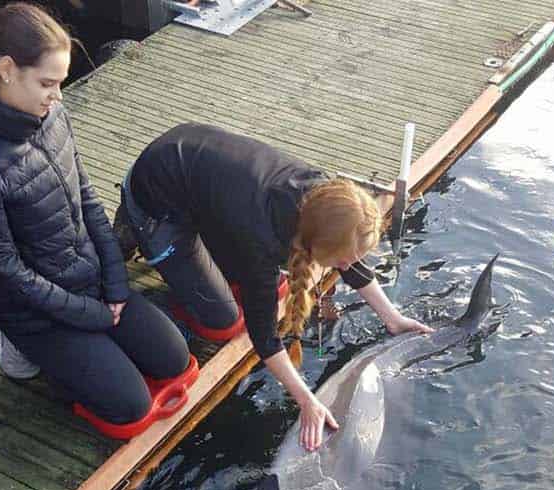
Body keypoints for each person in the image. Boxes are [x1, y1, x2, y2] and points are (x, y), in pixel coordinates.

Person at [0, 3, 192, 430]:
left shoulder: (53, 114)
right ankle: (23, 346)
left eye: (60, 83)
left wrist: (114, 284)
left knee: (174, 358)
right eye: (47, 83)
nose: (58, 96)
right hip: (34, 311)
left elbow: (88, 202)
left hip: (91, 283)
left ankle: (91, 344)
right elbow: (7, 270)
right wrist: (90, 315)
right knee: (129, 405)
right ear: (6, 69)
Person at [116, 123, 431, 451]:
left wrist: (392, 319)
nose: (344, 265)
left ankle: (202, 240)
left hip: (203, 178)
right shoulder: (260, 242)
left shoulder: (324, 200)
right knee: (220, 320)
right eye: (338, 260)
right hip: (157, 195)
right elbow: (264, 338)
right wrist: (308, 402)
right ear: (313, 245)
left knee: (232, 275)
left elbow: (348, 259)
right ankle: (131, 220)